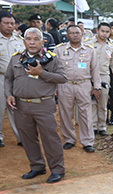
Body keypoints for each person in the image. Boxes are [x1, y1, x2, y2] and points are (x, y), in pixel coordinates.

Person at [4, 28, 67, 183]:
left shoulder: (51, 58)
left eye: (36, 39)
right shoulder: (16, 59)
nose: (32, 42)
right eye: (29, 39)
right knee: (27, 138)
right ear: (24, 41)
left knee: (50, 138)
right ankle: (37, 166)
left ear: (43, 41)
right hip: (21, 106)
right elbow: (8, 79)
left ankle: (58, 170)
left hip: (43, 104)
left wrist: (42, 73)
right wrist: (9, 95)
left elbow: (62, 78)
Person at [54, 25, 101, 153]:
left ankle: (87, 141)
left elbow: (95, 70)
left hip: (83, 84)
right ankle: (69, 139)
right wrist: (55, 88)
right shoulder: (60, 50)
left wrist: (97, 87)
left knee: (85, 114)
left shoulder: (90, 50)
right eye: (72, 33)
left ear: (82, 35)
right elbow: (55, 69)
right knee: (65, 113)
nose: (75, 35)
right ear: (67, 35)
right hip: (65, 84)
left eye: (77, 33)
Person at [86, 22, 113, 136]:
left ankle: (102, 127)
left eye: (107, 32)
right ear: (97, 30)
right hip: (89, 76)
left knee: (103, 101)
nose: (105, 34)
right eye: (103, 31)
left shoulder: (111, 46)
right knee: (92, 102)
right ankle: (93, 126)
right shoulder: (88, 44)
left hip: (104, 76)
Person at [0, 11, 24, 147]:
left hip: (17, 79)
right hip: (1, 78)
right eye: (6, 23)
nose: (10, 26)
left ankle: (21, 137)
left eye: (12, 23)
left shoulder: (20, 40)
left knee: (17, 108)